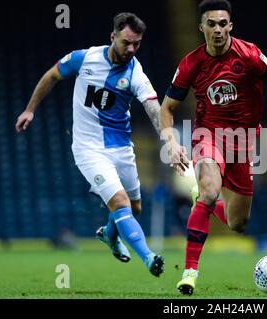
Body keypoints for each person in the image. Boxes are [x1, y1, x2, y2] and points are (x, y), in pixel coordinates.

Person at [160, 0, 267, 295]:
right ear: (201, 27)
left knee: (237, 223)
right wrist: (171, 142)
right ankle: (189, 273)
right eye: (211, 24)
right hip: (208, 136)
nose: (217, 30)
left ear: (231, 26)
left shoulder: (250, 55)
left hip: (243, 143)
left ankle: (201, 198)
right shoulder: (191, 63)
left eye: (222, 24)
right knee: (209, 190)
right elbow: (167, 108)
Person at [15, 12, 165, 276]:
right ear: (113, 36)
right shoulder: (83, 58)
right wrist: (30, 110)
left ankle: (109, 234)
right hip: (88, 148)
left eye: (137, 44)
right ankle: (150, 258)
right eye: (126, 42)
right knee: (121, 203)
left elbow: (153, 107)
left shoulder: (136, 72)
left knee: (135, 208)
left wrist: (168, 138)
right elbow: (52, 75)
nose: (131, 49)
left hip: (121, 148)